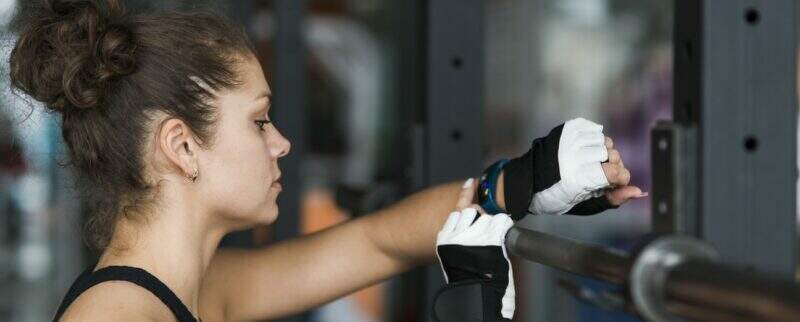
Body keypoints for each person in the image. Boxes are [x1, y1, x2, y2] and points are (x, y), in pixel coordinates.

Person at [8, 1, 645, 321]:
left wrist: (522, 182)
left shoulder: (202, 289)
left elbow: (377, 243)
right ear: (180, 147)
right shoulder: (119, 318)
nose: (281, 142)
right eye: (259, 121)